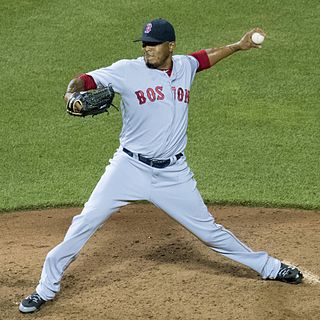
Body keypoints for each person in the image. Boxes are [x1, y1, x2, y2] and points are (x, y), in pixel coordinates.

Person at [19, 18, 303, 314]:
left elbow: (204, 58)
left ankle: (270, 267)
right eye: (144, 44)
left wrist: (238, 46)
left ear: (171, 46)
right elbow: (84, 80)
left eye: (153, 44)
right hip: (129, 168)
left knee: (209, 231)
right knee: (85, 221)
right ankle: (44, 289)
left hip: (173, 174)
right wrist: (70, 94)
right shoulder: (126, 70)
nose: (147, 49)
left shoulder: (184, 66)